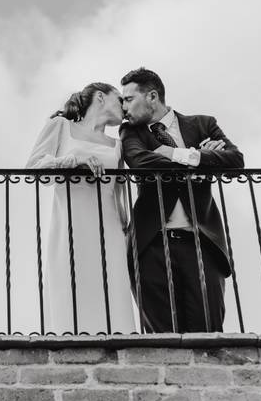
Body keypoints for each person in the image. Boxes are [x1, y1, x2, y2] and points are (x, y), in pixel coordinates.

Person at [119, 68, 244, 332]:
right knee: (160, 340)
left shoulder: (203, 124)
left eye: (128, 99)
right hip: (151, 245)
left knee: (208, 334)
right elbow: (140, 162)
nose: (123, 107)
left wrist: (178, 154)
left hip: (202, 244)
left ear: (152, 96)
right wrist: (199, 158)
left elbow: (235, 160)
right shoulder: (131, 132)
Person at [26, 82, 139, 334]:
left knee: (112, 290)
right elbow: (34, 167)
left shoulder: (118, 144)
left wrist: (125, 230)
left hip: (108, 227)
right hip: (71, 222)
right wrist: (74, 160)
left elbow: (120, 192)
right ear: (100, 97)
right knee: (70, 286)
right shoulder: (60, 126)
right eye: (120, 98)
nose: (125, 106)